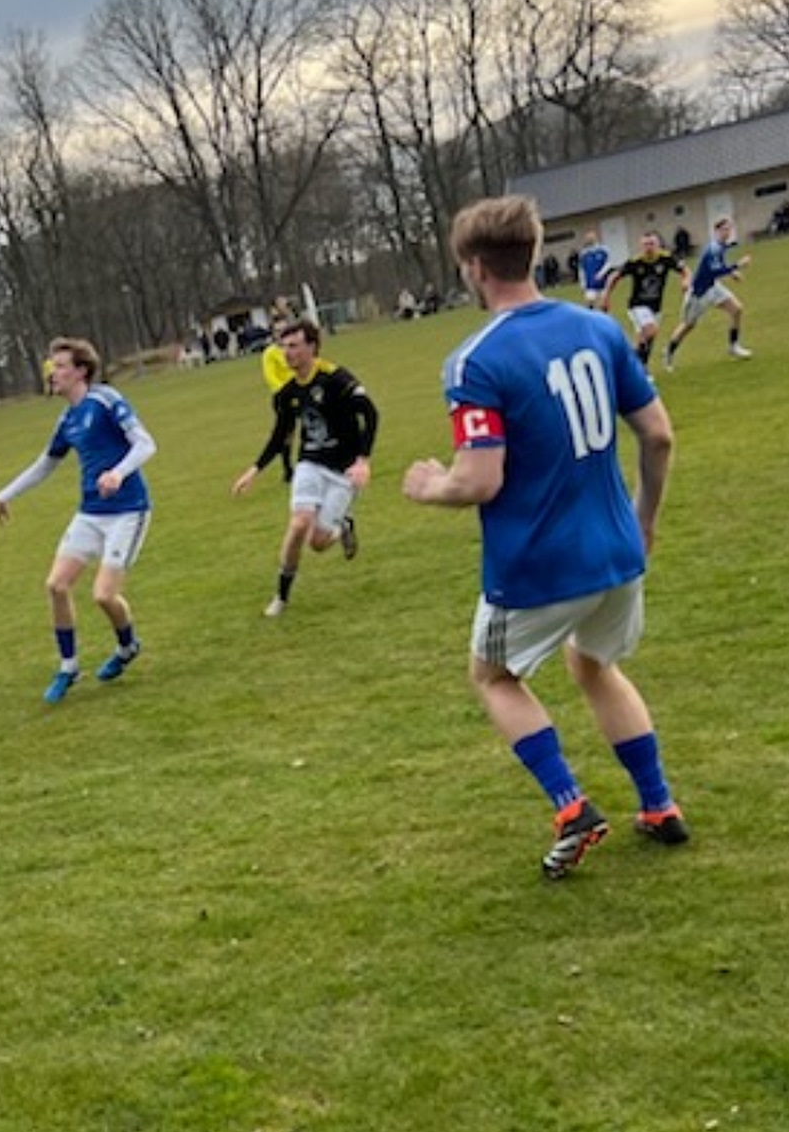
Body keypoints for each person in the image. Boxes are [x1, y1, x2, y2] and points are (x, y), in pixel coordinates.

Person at [403, 194, 688, 882]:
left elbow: (480, 480)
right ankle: (658, 804)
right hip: (617, 549)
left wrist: (431, 485)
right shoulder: (598, 329)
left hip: (537, 562)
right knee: (593, 664)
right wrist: (645, 519)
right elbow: (658, 435)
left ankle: (571, 807)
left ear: (475, 267)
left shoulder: (474, 361)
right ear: (531, 254)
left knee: (494, 676)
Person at [0, 337, 156, 704]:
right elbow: (45, 464)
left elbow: (146, 444)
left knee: (103, 595)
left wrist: (118, 473)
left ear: (81, 371)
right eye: (52, 366)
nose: (53, 373)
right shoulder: (67, 420)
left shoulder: (106, 400)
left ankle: (127, 646)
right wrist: (6, 493)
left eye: (61, 366)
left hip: (128, 511)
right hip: (90, 513)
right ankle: (68, 667)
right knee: (56, 585)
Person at [232, 318, 379, 618]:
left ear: (312, 347)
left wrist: (363, 460)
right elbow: (280, 435)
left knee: (318, 543)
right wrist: (254, 470)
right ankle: (281, 597)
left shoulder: (335, 378)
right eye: (284, 347)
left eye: (294, 346)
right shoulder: (288, 393)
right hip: (310, 463)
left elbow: (371, 414)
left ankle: (342, 526)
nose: (287, 353)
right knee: (299, 524)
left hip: (343, 470)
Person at [663, 217, 752, 369]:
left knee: (737, 309)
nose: (727, 232)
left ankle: (733, 346)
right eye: (724, 229)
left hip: (713, 287)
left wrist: (732, 273)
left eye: (729, 229)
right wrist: (737, 265)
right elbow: (714, 271)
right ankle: (669, 352)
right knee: (688, 326)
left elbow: (719, 265)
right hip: (699, 293)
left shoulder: (720, 246)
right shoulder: (713, 248)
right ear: (716, 231)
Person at [600, 232, 691, 369]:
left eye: (652, 244)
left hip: (656, 307)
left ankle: (637, 366)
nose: (649, 247)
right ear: (641, 246)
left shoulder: (666, 258)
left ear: (658, 245)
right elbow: (614, 277)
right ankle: (635, 365)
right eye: (645, 244)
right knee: (650, 330)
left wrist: (686, 280)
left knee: (647, 340)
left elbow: (685, 270)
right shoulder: (635, 262)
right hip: (637, 305)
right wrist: (606, 296)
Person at [261, 324, 296, 482]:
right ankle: (287, 469)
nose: (282, 333)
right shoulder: (270, 353)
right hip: (284, 397)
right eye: (279, 331)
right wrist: (285, 392)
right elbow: (271, 377)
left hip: (302, 392)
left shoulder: (294, 350)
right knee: (287, 434)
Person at [576, 229, 610, 308]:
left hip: (603, 282)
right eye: (587, 237)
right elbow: (581, 269)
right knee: (589, 303)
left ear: (595, 238)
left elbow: (608, 264)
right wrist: (582, 283)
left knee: (603, 304)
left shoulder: (603, 250)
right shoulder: (584, 253)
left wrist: (601, 274)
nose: (589, 239)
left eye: (591, 237)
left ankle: (604, 314)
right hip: (590, 283)